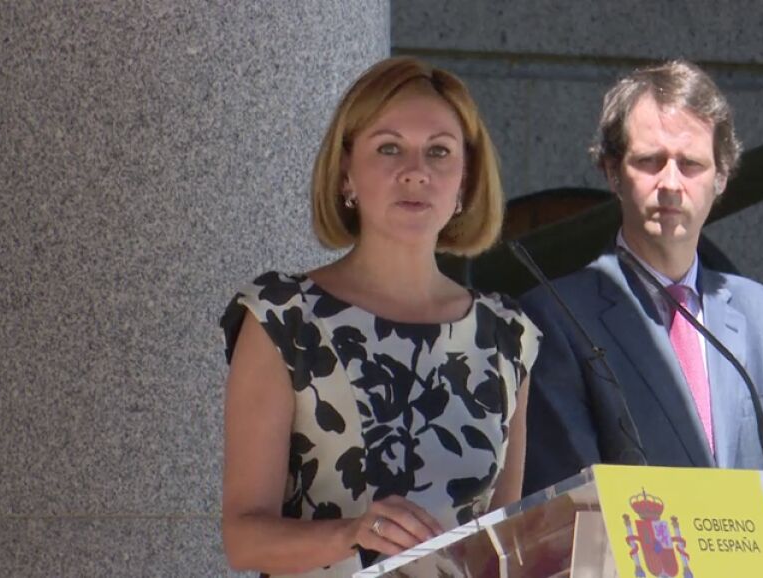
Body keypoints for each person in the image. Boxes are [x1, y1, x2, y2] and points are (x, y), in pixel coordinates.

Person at [218, 56, 541, 577]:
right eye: (389, 148)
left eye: (439, 151)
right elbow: (243, 539)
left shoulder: (508, 335)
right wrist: (352, 534)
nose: (416, 171)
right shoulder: (284, 317)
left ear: (465, 181)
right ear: (346, 173)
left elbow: (505, 549)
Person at [520, 60, 763, 495]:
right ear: (612, 172)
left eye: (691, 164)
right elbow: (574, 501)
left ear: (721, 177)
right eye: (650, 161)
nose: (670, 183)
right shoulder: (556, 316)